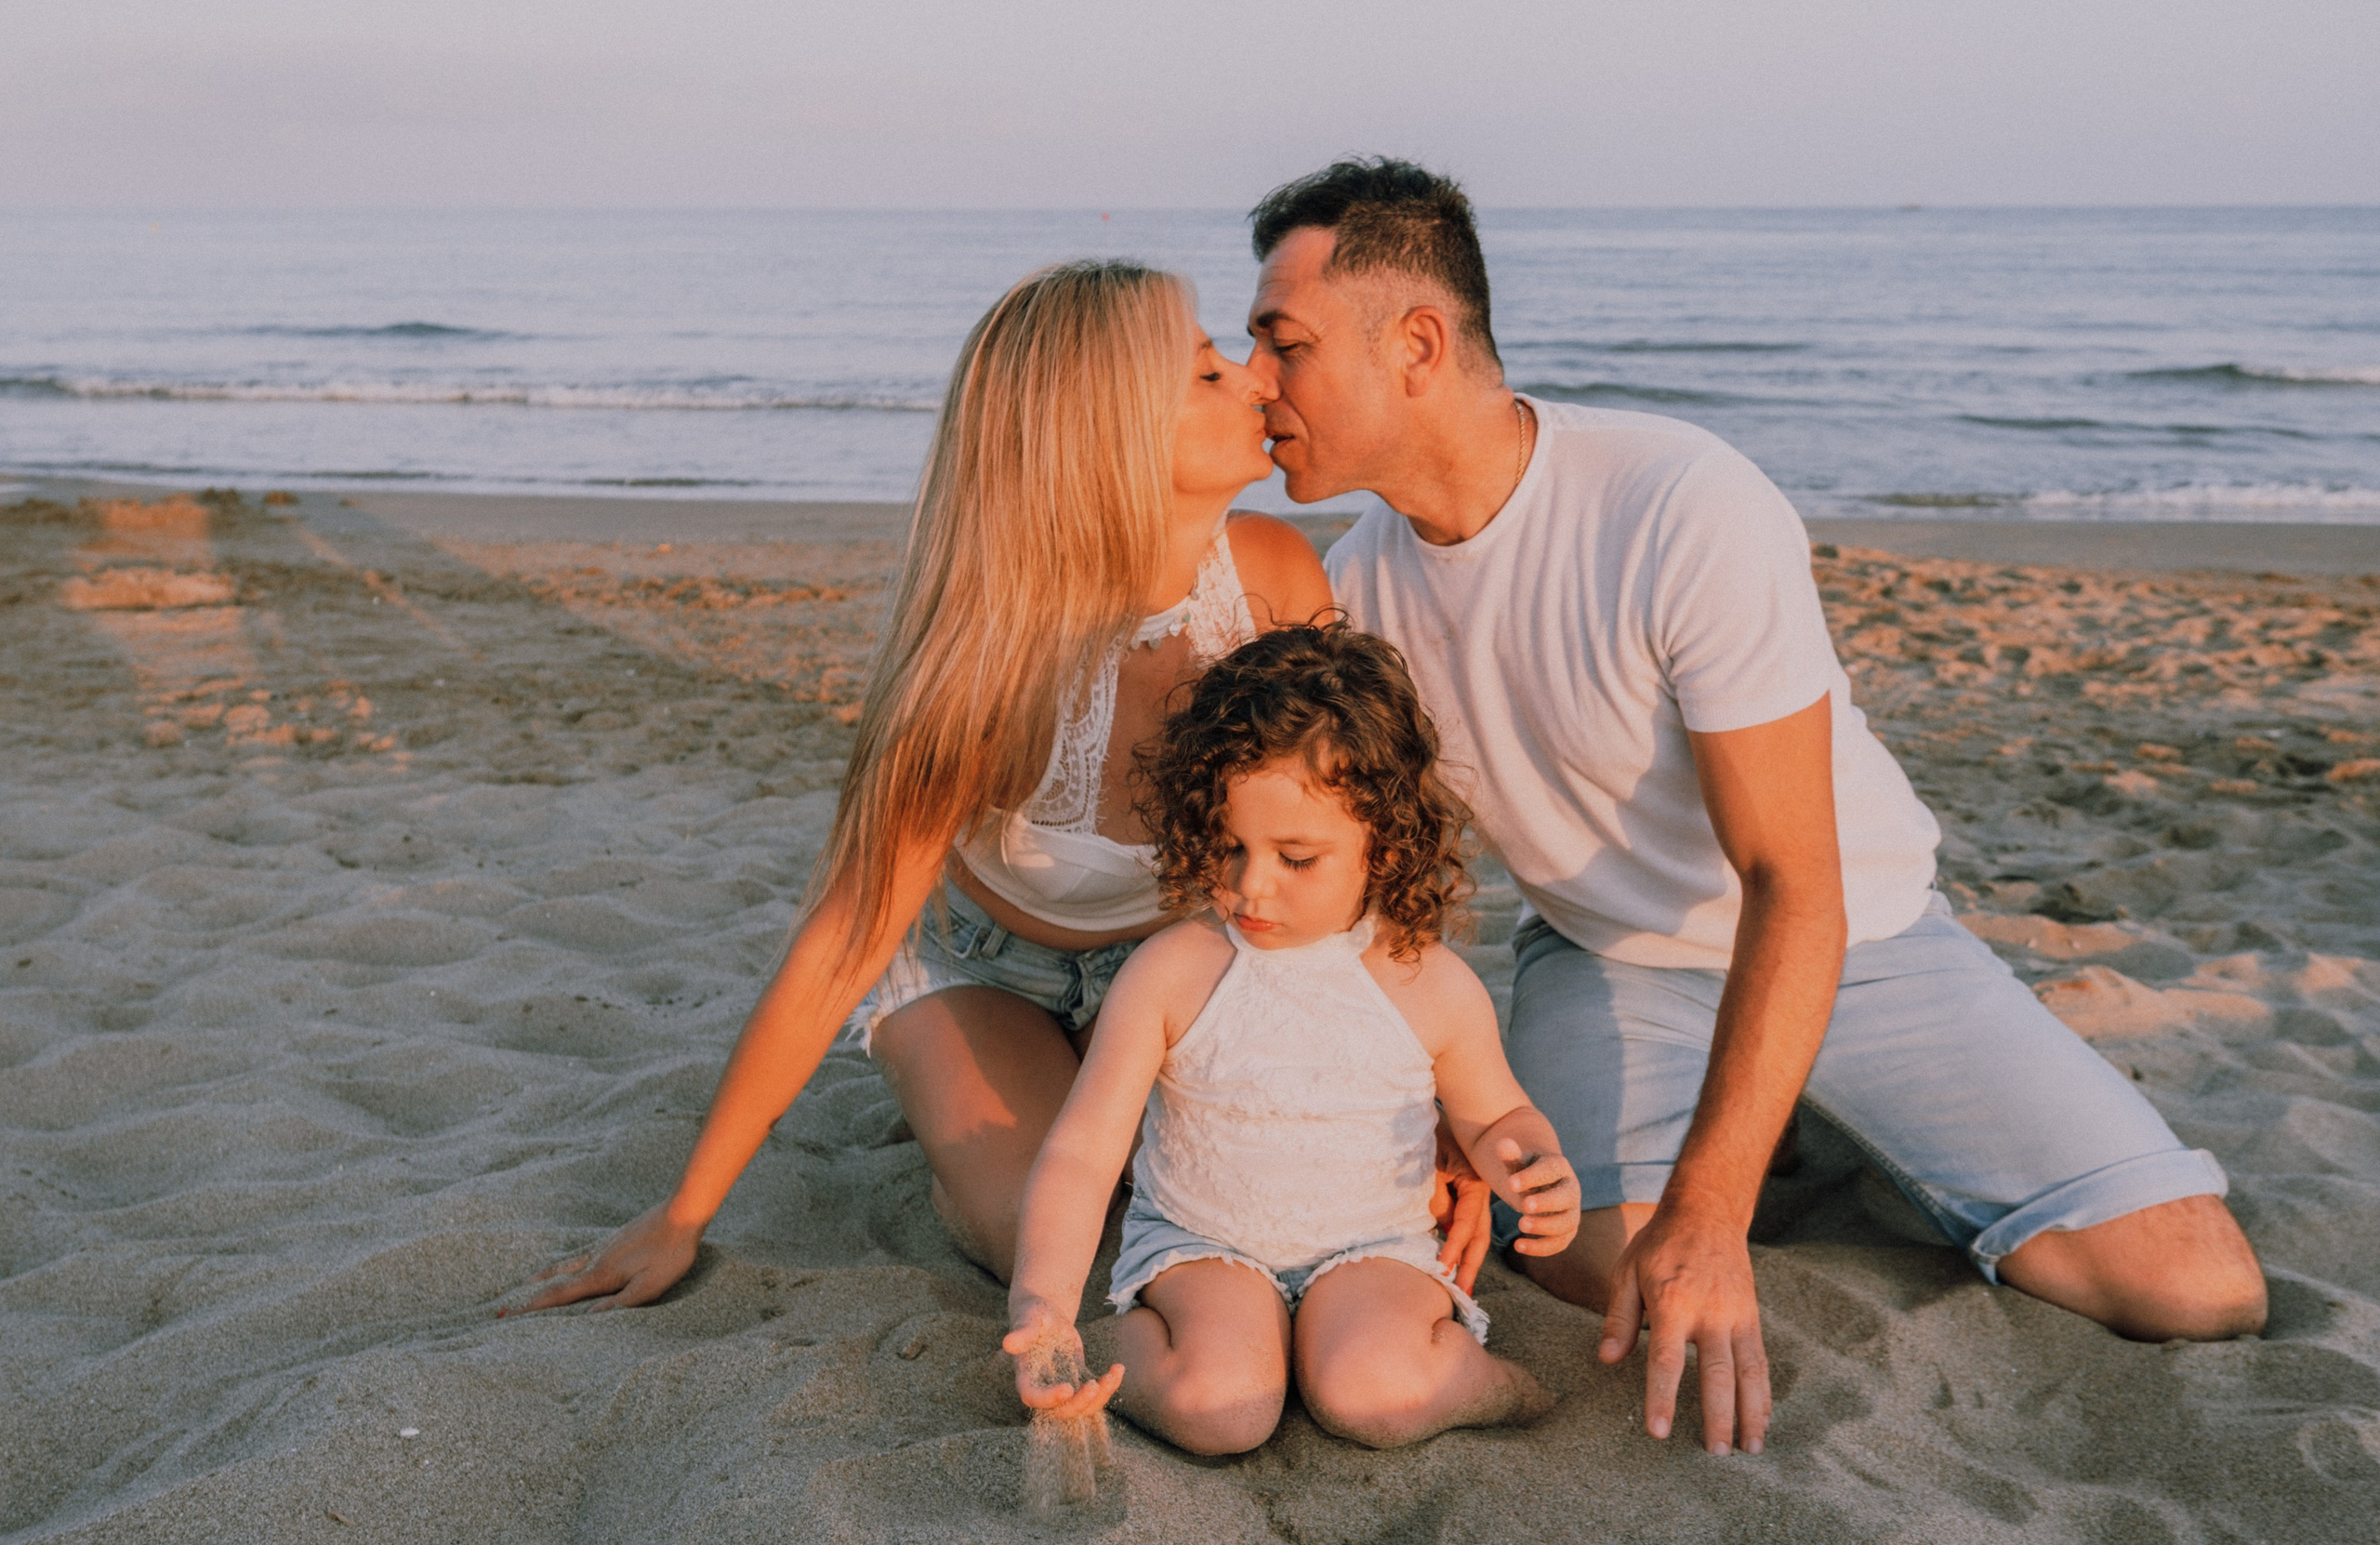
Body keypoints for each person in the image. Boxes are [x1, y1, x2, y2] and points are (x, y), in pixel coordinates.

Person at [1239, 158, 2269, 1459]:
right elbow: (1393, 882)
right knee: (1589, 1256)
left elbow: (1798, 877)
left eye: (1285, 343)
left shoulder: (1680, 502)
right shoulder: (1365, 586)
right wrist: (1445, 1101)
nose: (1260, 382)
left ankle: (1787, 1130)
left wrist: (1717, 1214)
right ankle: (1769, 1125)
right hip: (1609, 955)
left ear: (1418, 345)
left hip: (1858, 935)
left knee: (2197, 1286)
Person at [509, 258, 1334, 1314]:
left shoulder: (1275, 578)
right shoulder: (990, 659)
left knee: (1268, 1218)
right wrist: (681, 1213)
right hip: (990, 974)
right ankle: (958, 1159)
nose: (1259, 379)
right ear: (1108, 428)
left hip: (1183, 967)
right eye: (1208, 372)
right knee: (1067, 1251)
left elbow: (1352, 851)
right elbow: (843, 937)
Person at [1003, 624, 1577, 1453]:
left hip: (1374, 1247)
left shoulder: (1428, 982)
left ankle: (1494, 1384)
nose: (1249, 885)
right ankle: (1101, 1352)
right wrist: (1044, 1306)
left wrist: (1533, 1165)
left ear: (1385, 847)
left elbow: (1494, 1119)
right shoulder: (1172, 973)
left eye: (1297, 857)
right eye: (1228, 845)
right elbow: (1086, 1152)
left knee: (1372, 1394)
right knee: (1221, 1410)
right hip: (1205, 1245)